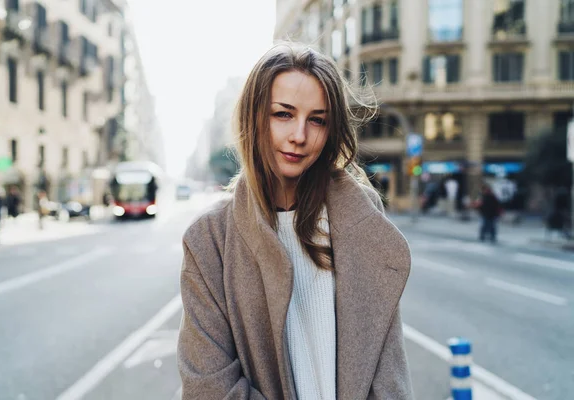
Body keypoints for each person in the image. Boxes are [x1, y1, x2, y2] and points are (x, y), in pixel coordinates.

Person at [177, 43, 413, 399]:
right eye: (283, 114)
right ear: (253, 117)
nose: (299, 136)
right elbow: (208, 388)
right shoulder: (210, 239)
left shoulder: (361, 218)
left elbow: (389, 370)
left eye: (317, 120)